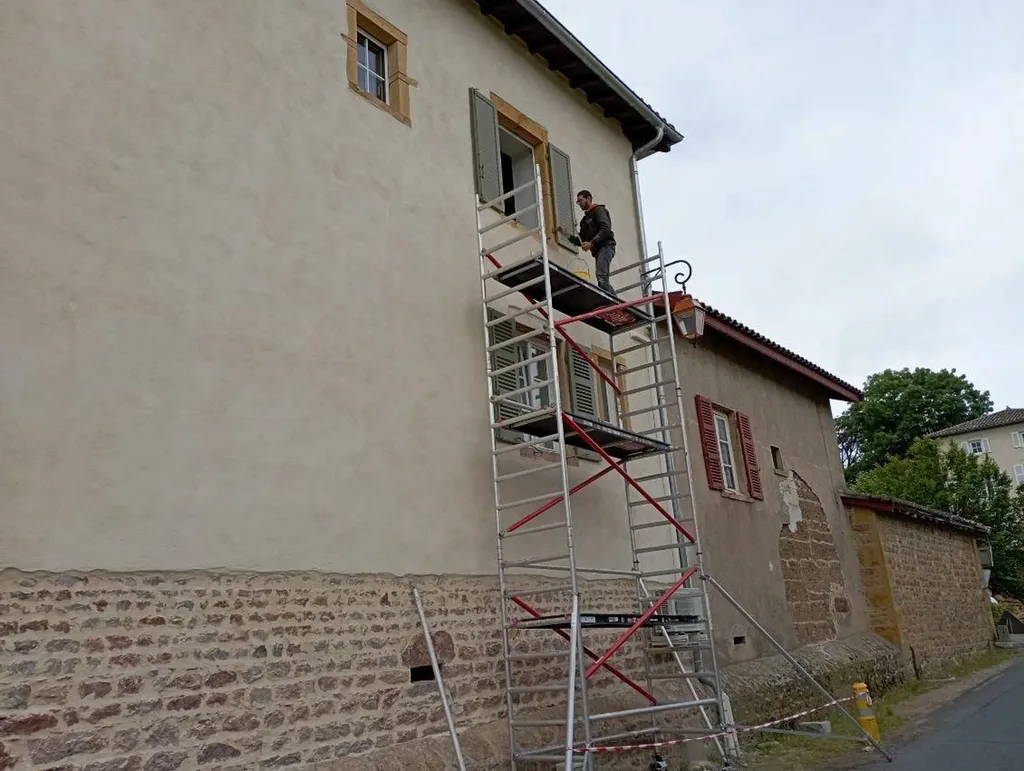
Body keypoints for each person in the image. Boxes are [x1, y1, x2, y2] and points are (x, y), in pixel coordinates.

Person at [569, 190, 616, 294]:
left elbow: (605, 229)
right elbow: (581, 240)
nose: (579, 203)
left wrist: (591, 243)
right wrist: (567, 235)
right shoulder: (584, 220)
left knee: (601, 276)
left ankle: (612, 300)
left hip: (606, 246)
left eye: (580, 200)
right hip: (599, 250)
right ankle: (612, 299)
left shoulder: (599, 211)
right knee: (601, 276)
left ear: (588, 199)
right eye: (578, 202)